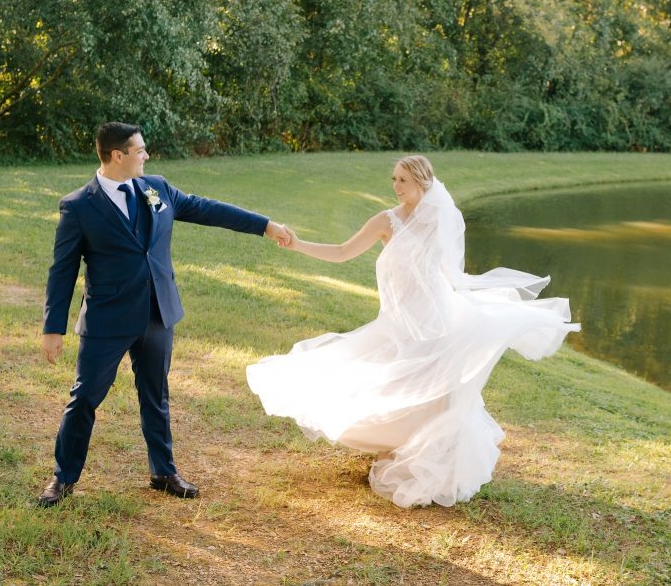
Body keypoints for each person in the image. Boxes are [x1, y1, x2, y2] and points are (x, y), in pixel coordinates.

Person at [246, 156, 579, 508]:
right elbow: (343, 251)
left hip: (436, 316)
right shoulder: (386, 220)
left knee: (439, 391)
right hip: (399, 320)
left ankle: (435, 462)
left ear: (422, 181)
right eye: (394, 179)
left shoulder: (442, 219)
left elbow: (450, 272)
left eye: (403, 179)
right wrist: (299, 245)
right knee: (388, 381)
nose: (396, 186)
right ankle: (399, 445)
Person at [37, 122, 291, 507]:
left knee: (155, 395)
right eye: (140, 150)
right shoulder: (78, 206)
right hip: (107, 319)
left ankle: (163, 472)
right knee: (84, 398)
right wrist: (53, 327)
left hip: (157, 313)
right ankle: (63, 479)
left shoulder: (155, 187)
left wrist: (265, 226)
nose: (147, 156)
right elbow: (63, 269)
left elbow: (207, 208)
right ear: (117, 155)